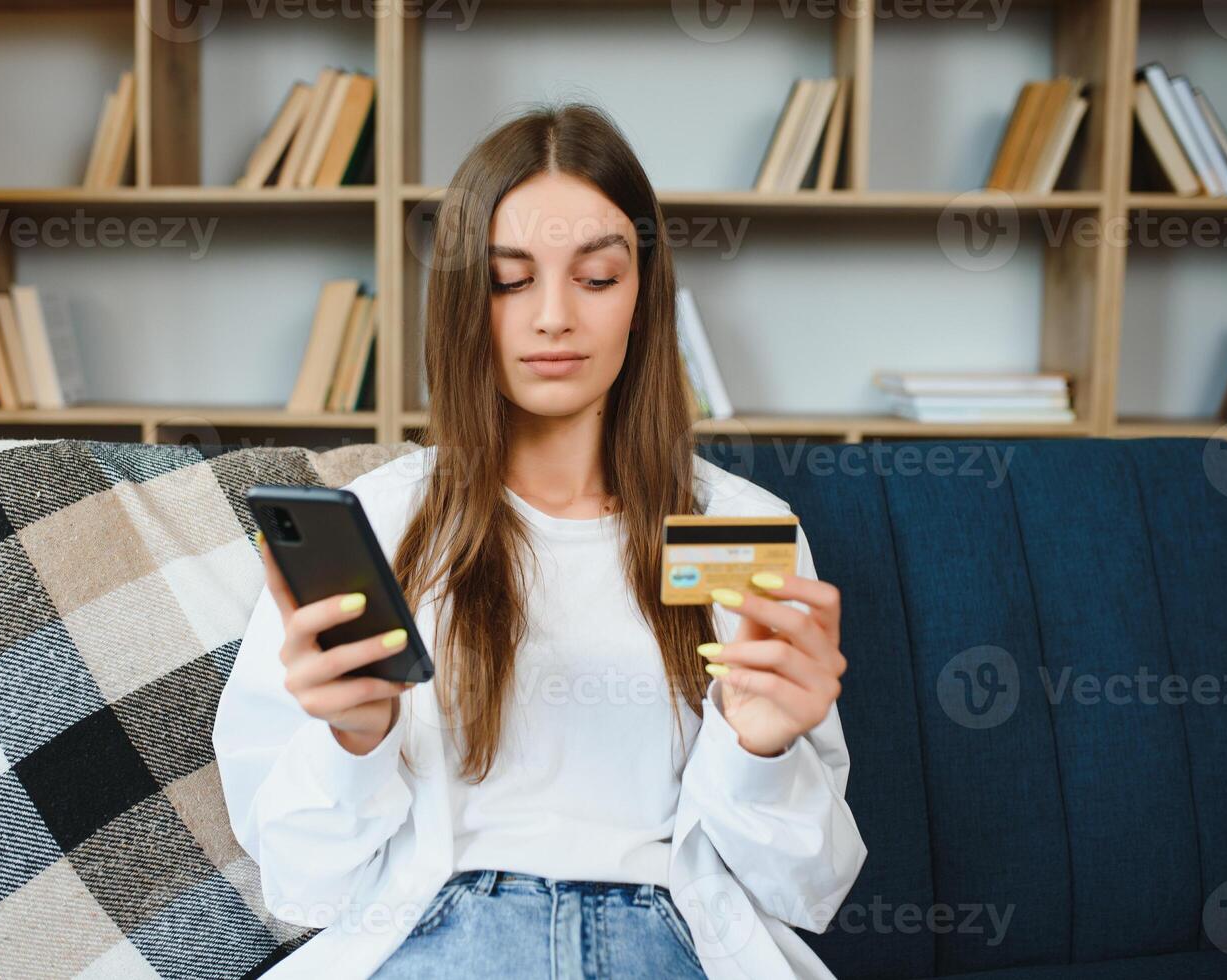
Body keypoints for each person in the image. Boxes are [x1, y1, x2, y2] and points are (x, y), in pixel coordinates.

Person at [213, 101, 866, 979]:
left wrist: (761, 749)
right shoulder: (385, 524)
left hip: (671, 942)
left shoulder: (738, 529)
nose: (554, 317)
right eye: (510, 280)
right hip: (442, 939)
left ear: (644, 295)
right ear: (459, 300)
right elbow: (302, 885)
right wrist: (354, 743)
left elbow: (807, 890)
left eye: (596, 278)